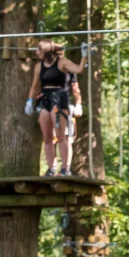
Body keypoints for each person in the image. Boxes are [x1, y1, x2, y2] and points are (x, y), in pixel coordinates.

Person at [25, 40, 89, 176]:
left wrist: (84, 55)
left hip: (59, 100)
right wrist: (30, 100)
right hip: (45, 100)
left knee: (61, 137)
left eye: (39, 50)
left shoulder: (62, 63)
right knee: (47, 137)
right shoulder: (39, 66)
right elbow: (35, 85)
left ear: (46, 52)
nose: (36, 53)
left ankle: (66, 168)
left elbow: (79, 69)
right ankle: (51, 168)